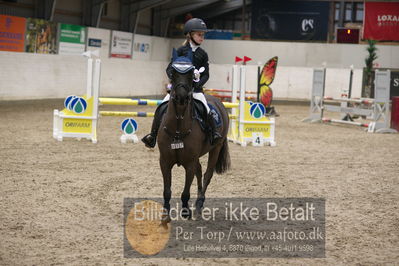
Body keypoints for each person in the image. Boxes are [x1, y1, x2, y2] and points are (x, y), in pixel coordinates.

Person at [142, 18, 222, 148]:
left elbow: (206, 74)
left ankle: (213, 134)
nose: (202, 37)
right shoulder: (180, 51)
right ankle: (153, 135)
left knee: (206, 109)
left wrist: (197, 83)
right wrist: (176, 80)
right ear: (190, 35)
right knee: (161, 108)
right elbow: (169, 69)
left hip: (195, 91)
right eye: (199, 34)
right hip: (178, 90)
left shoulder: (203, 54)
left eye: (203, 35)